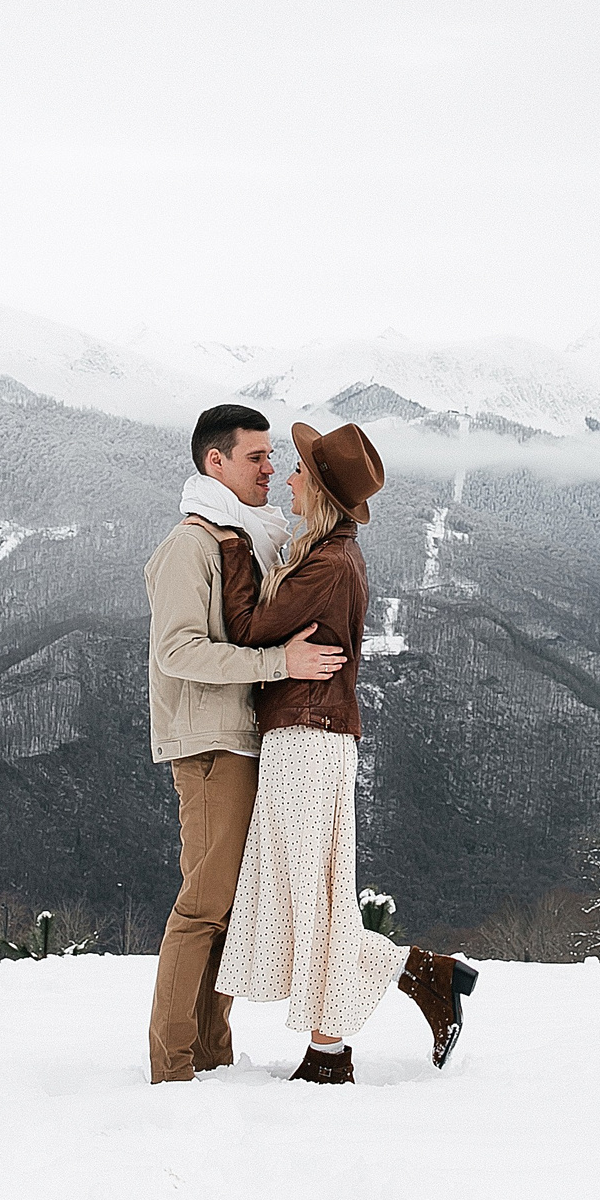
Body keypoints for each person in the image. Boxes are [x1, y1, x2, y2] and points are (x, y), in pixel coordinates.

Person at [213, 420, 476, 1085]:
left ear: (322, 491)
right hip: (318, 737)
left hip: (304, 739)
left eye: (300, 471)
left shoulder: (328, 562)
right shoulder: (336, 555)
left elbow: (246, 627)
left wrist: (234, 550)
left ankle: (377, 1016)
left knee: (314, 898)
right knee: (317, 896)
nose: (289, 478)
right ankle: (372, 1015)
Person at [143, 404, 348, 1085]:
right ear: (216, 464)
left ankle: (210, 1053)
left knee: (230, 908)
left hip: (243, 738)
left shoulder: (247, 537)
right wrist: (277, 666)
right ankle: (173, 1066)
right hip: (209, 743)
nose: (270, 467)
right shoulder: (193, 545)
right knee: (204, 904)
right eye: (257, 456)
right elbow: (177, 651)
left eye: (271, 457)